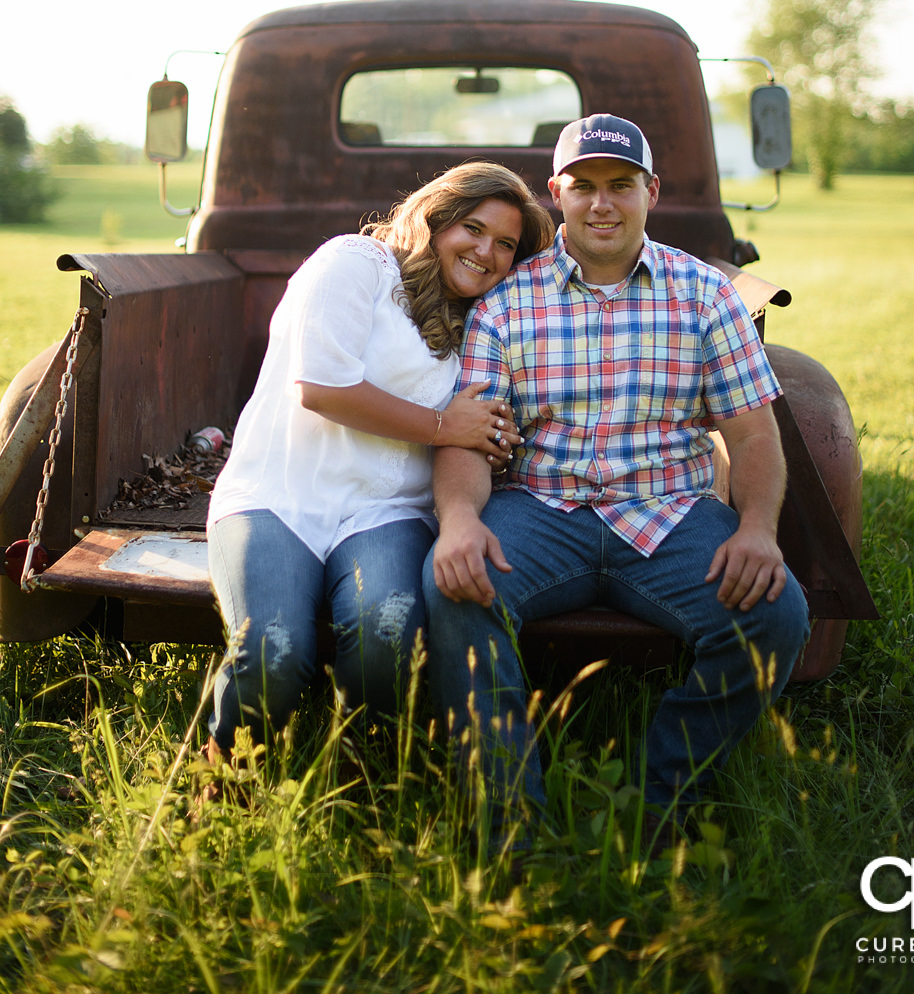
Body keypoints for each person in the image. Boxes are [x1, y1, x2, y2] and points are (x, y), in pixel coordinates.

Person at [423, 114, 811, 842]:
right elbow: (468, 439)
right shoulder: (507, 301)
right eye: (585, 186)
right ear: (556, 195)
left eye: (620, 185)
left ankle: (663, 801)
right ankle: (511, 822)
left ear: (650, 191)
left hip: (671, 514)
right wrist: (461, 521)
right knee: (455, 586)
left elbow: (753, 432)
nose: (602, 203)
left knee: (775, 612)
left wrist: (757, 528)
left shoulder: (704, 295)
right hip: (540, 508)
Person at [205, 161, 554, 759]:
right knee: (272, 651)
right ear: (435, 220)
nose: (485, 252)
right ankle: (222, 781)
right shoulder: (355, 263)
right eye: (472, 228)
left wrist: (492, 440)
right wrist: (447, 426)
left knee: (385, 635)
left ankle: (360, 772)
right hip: (280, 494)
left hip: (389, 509)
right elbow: (321, 386)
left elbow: (484, 425)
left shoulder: (485, 322)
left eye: (505, 245)